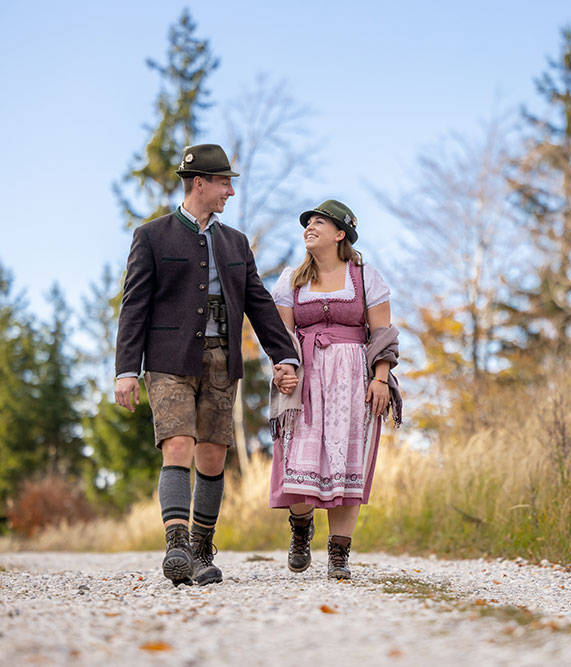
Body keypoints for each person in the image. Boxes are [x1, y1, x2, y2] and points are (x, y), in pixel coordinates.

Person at [114, 143, 299, 586]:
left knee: (213, 457)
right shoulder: (152, 236)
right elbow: (134, 305)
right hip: (168, 360)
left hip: (222, 361)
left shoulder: (235, 242)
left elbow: (258, 301)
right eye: (224, 182)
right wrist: (126, 370)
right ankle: (175, 544)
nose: (230, 192)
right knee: (177, 445)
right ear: (200, 183)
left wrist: (284, 356)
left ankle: (199, 549)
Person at [269, 199, 401, 580]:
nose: (309, 226)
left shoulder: (365, 276)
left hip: (353, 380)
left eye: (319, 222)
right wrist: (283, 369)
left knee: (347, 464)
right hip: (306, 379)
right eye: (307, 222)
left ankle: (339, 552)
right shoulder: (291, 279)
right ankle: (301, 528)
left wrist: (380, 378)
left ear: (340, 233)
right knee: (298, 459)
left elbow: (382, 333)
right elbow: (281, 337)